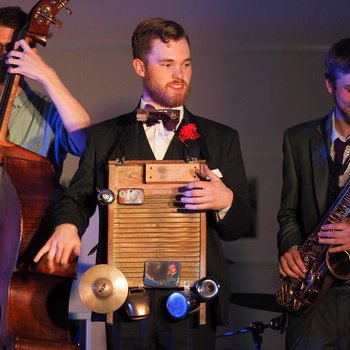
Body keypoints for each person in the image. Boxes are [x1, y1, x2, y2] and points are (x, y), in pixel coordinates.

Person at [34, 18, 252, 349]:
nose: (179, 74)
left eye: (186, 64)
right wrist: (66, 226)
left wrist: (226, 200)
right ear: (140, 67)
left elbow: (240, 226)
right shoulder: (107, 136)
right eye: (167, 64)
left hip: (192, 300)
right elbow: (76, 200)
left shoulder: (221, 139)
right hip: (123, 297)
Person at [278, 37, 350, 349]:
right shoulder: (297, 139)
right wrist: (292, 248)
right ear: (329, 85)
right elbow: (289, 212)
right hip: (312, 290)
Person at [0, 6, 91, 179]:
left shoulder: (50, 111)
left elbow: (86, 145)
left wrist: (47, 76)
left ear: (30, 53)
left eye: (12, 47)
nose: (4, 56)